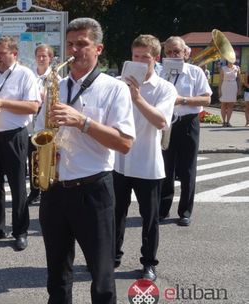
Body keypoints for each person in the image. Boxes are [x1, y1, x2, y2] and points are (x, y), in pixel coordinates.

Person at [36, 17, 135, 303]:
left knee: (102, 277)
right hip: (54, 189)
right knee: (57, 275)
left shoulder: (113, 88)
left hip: (93, 191)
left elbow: (125, 143)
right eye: (70, 44)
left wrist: (83, 122)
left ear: (99, 49)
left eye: (82, 44)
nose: (74, 51)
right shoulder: (56, 85)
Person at [113, 34, 177, 282]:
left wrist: (137, 97)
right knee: (115, 214)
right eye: (135, 57)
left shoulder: (165, 88)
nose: (139, 62)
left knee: (149, 219)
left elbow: (162, 121)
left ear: (155, 59)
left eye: (145, 58)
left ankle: (149, 262)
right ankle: (113, 255)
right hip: (119, 160)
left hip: (147, 163)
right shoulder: (118, 83)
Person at [0, 36, 41, 252]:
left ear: (14, 54)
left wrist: (2, 103)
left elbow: (33, 106)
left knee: (18, 186)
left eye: (2, 53)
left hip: (15, 135)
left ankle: (20, 231)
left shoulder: (25, 74)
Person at [159, 36, 212, 227]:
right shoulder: (160, 72)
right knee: (165, 168)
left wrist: (182, 100)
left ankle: (185, 212)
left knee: (188, 169)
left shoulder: (195, 71)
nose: (173, 55)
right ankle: (162, 210)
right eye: (169, 52)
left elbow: (206, 100)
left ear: (186, 53)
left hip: (188, 122)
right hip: (167, 123)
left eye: (177, 52)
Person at [27, 43, 57, 205]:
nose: (40, 59)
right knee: (32, 159)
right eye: (38, 55)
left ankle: (47, 187)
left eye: (44, 56)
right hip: (29, 124)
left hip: (44, 125)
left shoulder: (55, 77)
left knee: (45, 158)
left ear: (50, 58)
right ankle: (34, 190)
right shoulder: (30, 76)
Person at [218, 61, 240, 127]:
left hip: (233, 86)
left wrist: (239, 88)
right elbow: (220, 80)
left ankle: (228, 122)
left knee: (231, 105)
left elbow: (239, 79)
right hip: (225, 86)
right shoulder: (223, 68)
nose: (230, 62)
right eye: (229, 60)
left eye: (232, 60)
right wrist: (219, 89)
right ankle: (224, 122)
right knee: (223, 104)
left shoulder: (237, 68)